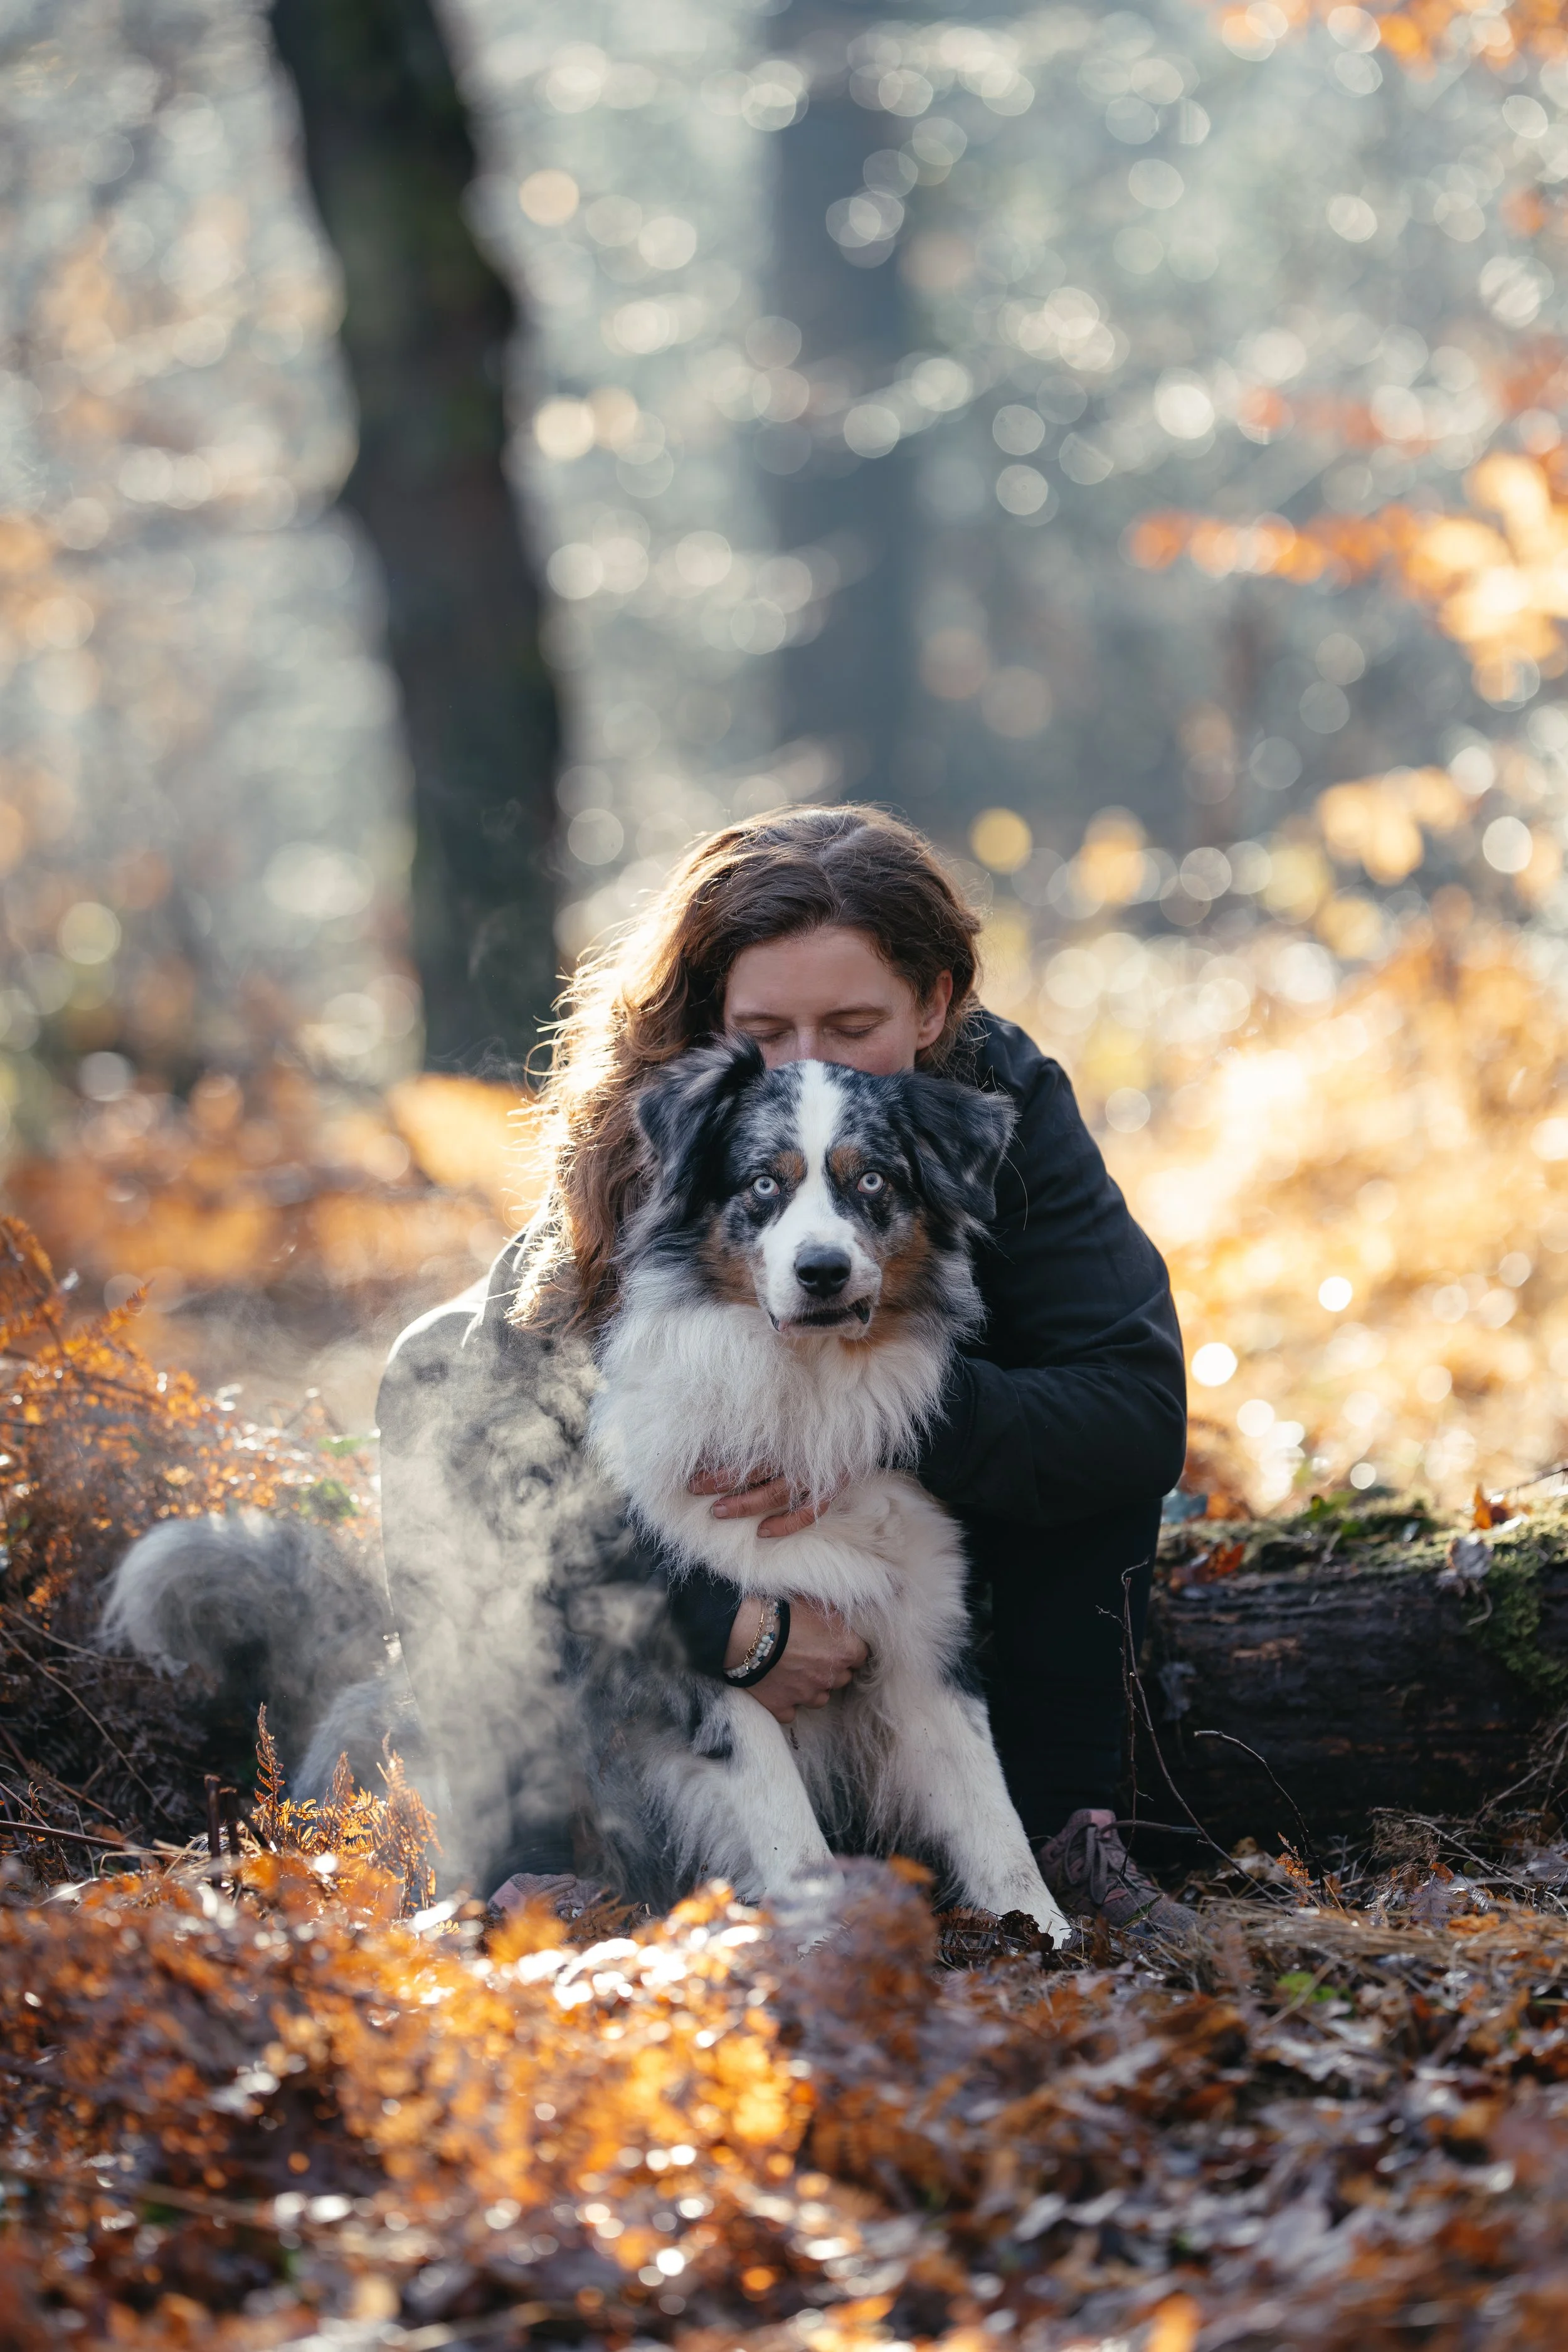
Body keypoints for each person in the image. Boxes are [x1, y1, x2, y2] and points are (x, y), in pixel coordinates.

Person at [376, 806, 1189, 1933]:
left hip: (926, 1544)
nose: (806, 1067)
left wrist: (874, 1421)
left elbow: (1137, 1409)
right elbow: (489, 1434)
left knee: (1090, 1433)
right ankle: (520, 1858)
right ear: (712, 1017)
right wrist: (716, 1619)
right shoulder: (667, 1112)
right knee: (430, 1371)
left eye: (853, 1024)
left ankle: (1066, 1838)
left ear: (936, 1002)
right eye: (767, 1028)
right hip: (694, 1589)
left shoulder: (996, 1099)